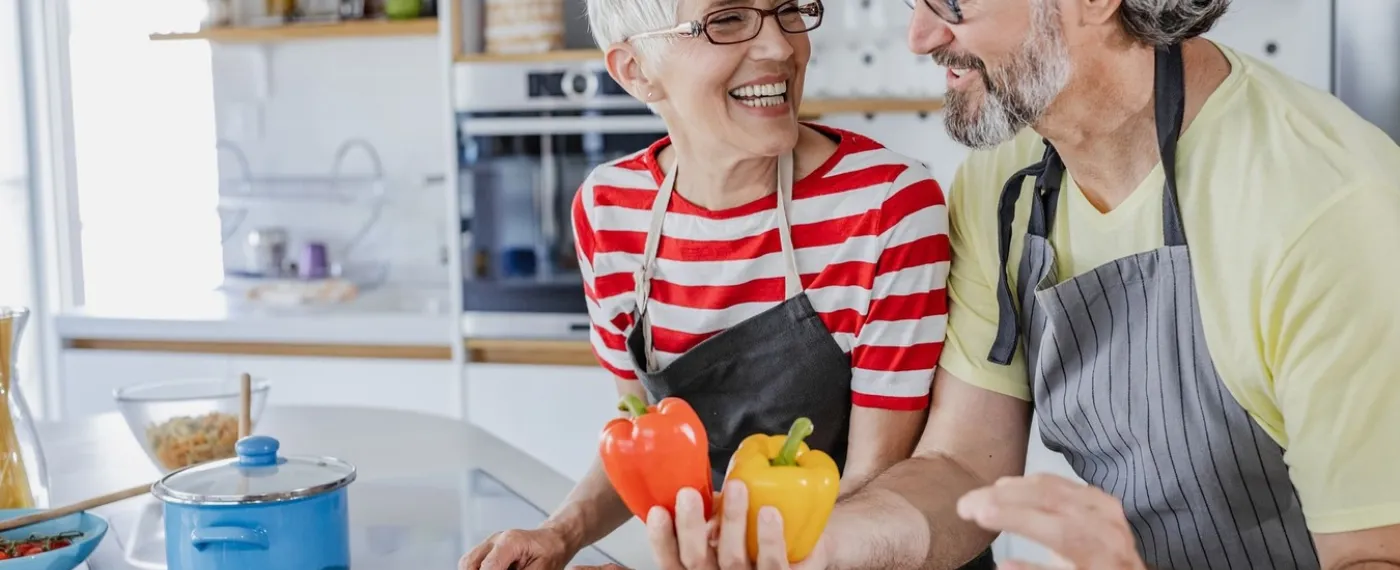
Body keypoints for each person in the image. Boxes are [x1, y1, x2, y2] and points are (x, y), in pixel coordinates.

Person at [644, 0, 1400, 568]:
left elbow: (1374, 556)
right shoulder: (1004, 185)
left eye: (954, 2)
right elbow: (963, 466)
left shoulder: (1322, 207)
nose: (922, 34)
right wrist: (814, 546)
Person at [458, 0, 977, 568]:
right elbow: (643, 441)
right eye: (726, 19)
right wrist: (560, 535)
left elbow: (876, 482)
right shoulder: (609, 210)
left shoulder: (886, 207)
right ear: (634, 70)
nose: (781, 47)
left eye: (788, 11)